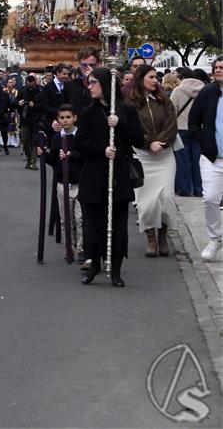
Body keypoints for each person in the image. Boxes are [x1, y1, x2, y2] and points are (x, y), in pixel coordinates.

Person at [76, 66, 144, 287]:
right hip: (94, 176)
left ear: (105, 85)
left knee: (118, 224)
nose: (90, 86)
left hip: (118, 177)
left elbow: (138, 139)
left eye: (94, 82)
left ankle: (115, 269)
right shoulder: (88, 112)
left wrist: (120, 124)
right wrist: (102, 149)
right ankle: (94, 264)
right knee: (93, 224)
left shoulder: (126, 110)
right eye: (89, 82)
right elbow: (80, 143)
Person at [128, 66, 178, 257]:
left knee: (166, 198)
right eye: (151, 77)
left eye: (156, 77)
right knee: (146, 202)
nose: (155, 80)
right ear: (141, 79)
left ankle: (163, 235)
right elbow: (132, 129)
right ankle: (150, 237)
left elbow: (171, 124)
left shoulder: (164, 101)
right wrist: (149, 143)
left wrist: (162, 143)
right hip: (143, 157)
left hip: (164, 157)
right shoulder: (131, 104)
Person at [188, 56, 223, 261]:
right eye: (216, 67)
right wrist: (203, 141)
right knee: (210, 198)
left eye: (222, 67)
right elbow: (193, 121)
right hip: (212, 157)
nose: (218, 70)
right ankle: (215, 238)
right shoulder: (208, 93)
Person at [41, 104, 84, 263]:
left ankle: (82, 249)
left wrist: (71, 155)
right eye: (62, 118)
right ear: (58, 119)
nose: (65, 121)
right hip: (62, 184)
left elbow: (85, 154)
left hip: (80, 183)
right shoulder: (57, 138)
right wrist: (44, 154)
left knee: (81, 218)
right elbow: (53, 160)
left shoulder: (80, 136)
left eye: (68, 117)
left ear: (74, 118)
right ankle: (70, 247)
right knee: (66, 218)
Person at [170, 68, 204, 197]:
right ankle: (199, 190)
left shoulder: (178, 90)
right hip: (199, 129)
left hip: (181, 129)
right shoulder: (204, 91)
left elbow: (172, 110)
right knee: (198, 160)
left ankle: (184, 190)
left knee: (182, 161)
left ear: (182, 77)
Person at [63, 46, 101, 116]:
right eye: (84, 65)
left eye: (92, 65)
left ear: (98, 64)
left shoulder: (103, 84)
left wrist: (92, 78)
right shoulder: (70, 85)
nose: (88, 68)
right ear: (79, 64)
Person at [17, 73, 45, 169]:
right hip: (25, 119)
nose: (30, 84)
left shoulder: (40, 92)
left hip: (36, 120)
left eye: (31, 82)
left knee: (34, 141)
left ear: (34, 82)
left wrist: (34, 105)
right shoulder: (22, 91)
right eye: (28, 82)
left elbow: (43, 105)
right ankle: (28, 159)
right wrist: (19, 102)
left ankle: (33, 162)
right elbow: (14, 102)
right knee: (24, 140)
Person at [41, 63, 70, 139]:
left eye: (67, 74)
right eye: (64, 74)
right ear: (57, 73)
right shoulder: (47, 87)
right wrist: (57, 113)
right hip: (52, 124)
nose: (66, 76)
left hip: (67, 124)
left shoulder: (68, 85)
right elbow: (44, 105)